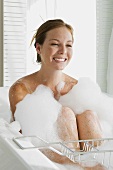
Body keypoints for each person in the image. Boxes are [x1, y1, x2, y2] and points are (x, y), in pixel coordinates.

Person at [9, 19, 105, 168]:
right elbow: (26, 142)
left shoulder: (76, 88)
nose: (63, 51)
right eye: (55, 44)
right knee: (65, 113)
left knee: (89, 115)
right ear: (38, 48)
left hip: (86, 161)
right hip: (51, 160)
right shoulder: (22, 89)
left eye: (68, 45)